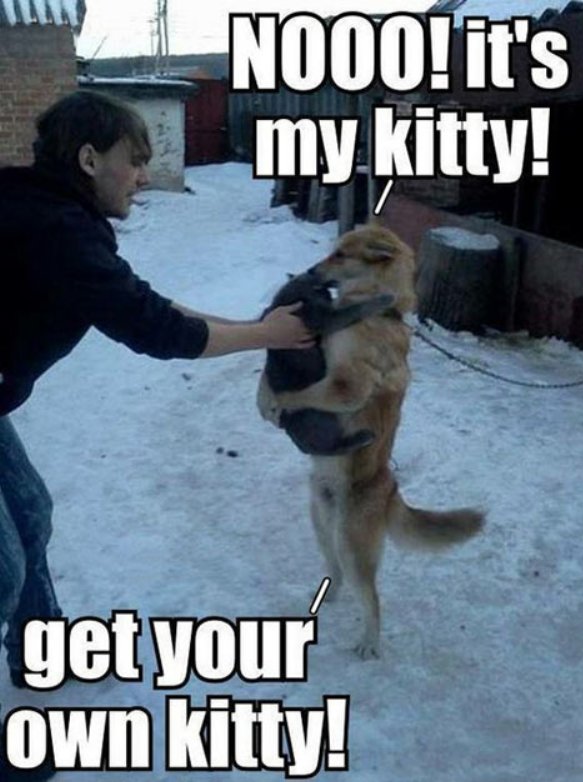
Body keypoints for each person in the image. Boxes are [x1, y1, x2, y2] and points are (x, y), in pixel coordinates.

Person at [0, 90, 312, 780]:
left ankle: (38, 650)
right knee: (1, 568)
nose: (143, 175)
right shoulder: (55, 229)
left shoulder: (49, 215)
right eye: (135, 161)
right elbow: (157, 331)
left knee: (30, 512)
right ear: (90, 160)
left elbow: (146, 303)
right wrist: (265, 335)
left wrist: (254, 328)